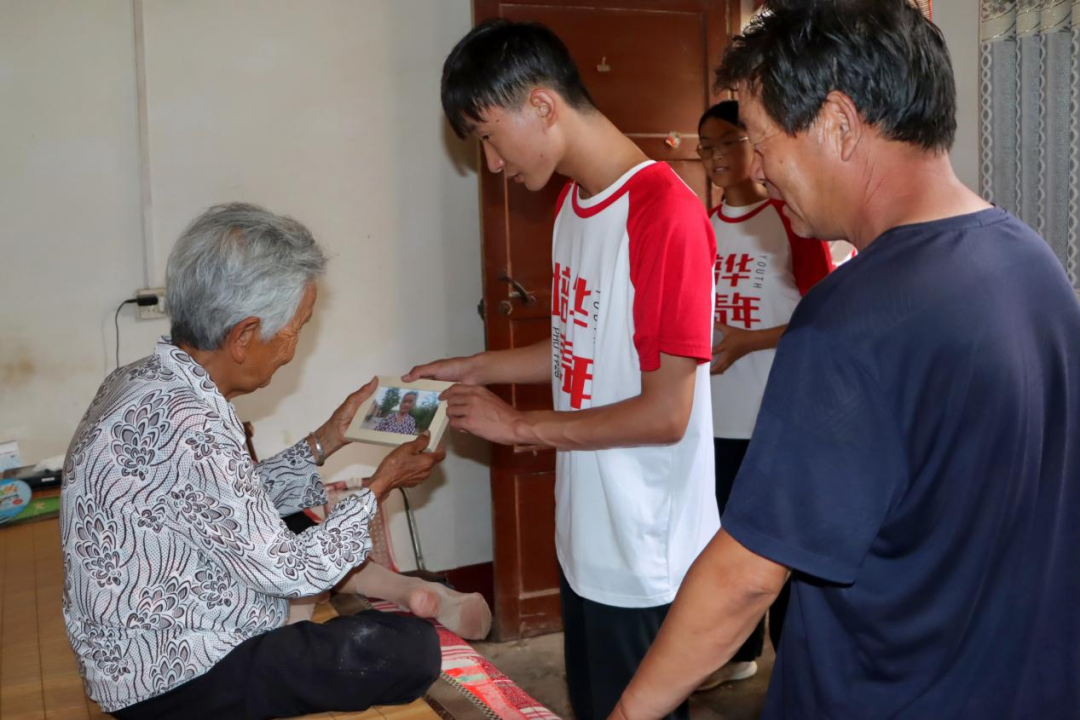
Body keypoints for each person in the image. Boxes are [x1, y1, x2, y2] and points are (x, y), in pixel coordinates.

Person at [611, 1, 1080, 718]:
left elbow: (746, 577)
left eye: (761, 140)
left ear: (836, 121)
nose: (757, 168)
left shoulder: (849, 321)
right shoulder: (1033, 263)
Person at [406, 19, 719, 720]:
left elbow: (667, 413)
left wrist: (519, 426)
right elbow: (585, 345)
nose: (492, 163)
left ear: (543, 105)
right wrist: (475, 366)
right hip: (587, 540)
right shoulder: (573, 207)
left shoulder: (663, 213)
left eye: (490, 138)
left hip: (646, 556)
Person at [62, 203, 446, 719]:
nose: (293, 348)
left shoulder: (143, 379)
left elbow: (224, 501)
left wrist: (326, 440)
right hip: (173, 682)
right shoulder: (191, 424)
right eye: (296, 328)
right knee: (411, 650)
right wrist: (381, 485)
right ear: (244, 336)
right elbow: (291, 571)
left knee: (293, 525)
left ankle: (298, 621)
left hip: (130, 654)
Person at [694, 99, 834, 690]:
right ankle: (737, 652)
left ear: (755, 143)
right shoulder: (701, 224)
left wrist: (750, 340)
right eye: (705, 147)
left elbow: (827, 311)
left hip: (774, 413)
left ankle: (790, 667)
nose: (715, 157)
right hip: (714, 416)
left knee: (779, 546)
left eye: (728, 141)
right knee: (724, 543)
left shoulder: (790, 218)